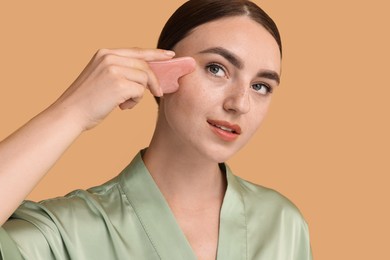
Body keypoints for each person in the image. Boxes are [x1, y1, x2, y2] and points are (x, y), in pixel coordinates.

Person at [0, 0, 312, 259]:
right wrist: (73, 111)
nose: (240, 104)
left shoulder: (282, 224)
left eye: (261, 86)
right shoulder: (65, 232)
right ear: (162, 72)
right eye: (216, 68)